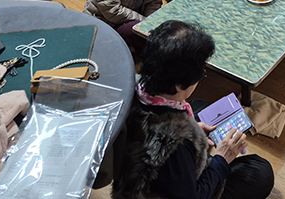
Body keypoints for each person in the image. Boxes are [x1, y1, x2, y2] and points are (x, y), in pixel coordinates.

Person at [113, 20, 274, 199]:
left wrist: (195, 129)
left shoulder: (129, 87)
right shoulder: (177, 144)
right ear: (179, 85)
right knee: (261, 172)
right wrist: (222, 158)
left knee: (199, 105)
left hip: (138, 172)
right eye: (201, 74)